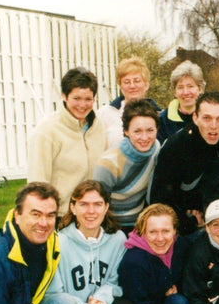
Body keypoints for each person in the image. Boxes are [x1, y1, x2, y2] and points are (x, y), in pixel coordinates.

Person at [27, 66, 107, 217]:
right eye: (76, 98)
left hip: (93, 216)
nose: (82, 105)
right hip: (60, 217)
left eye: (88, 99)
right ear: (64, 96)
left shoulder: (99, 128)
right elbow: (37, 185)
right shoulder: (46, 132)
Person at [151, 91, 219, 236]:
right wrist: (189, 222)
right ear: (195, 118)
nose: (213, 125)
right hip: (177, 223)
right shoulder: (176, 147)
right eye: (207, 118)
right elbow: (160, 199)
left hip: (213, 217)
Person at [93, 99, 161, 231]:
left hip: (142, 223)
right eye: (137, 131)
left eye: (150, 130)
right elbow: (96, 206)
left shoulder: (156, 149)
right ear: (126, 131)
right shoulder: (108, 163)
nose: (145, 137)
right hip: (112, 226)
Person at [96, 56, 161, 148]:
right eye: (127, 82)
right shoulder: (105, 114)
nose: (132, 86)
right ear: (121, 86)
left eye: (137, 81)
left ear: (146, 85)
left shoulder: (159, 115)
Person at [157, 60, 206, 143]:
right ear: (175, 92)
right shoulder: (163, 121)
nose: (186, 92)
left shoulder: (209, 118)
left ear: (200, 89)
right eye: (180, 87)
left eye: (190, 86)